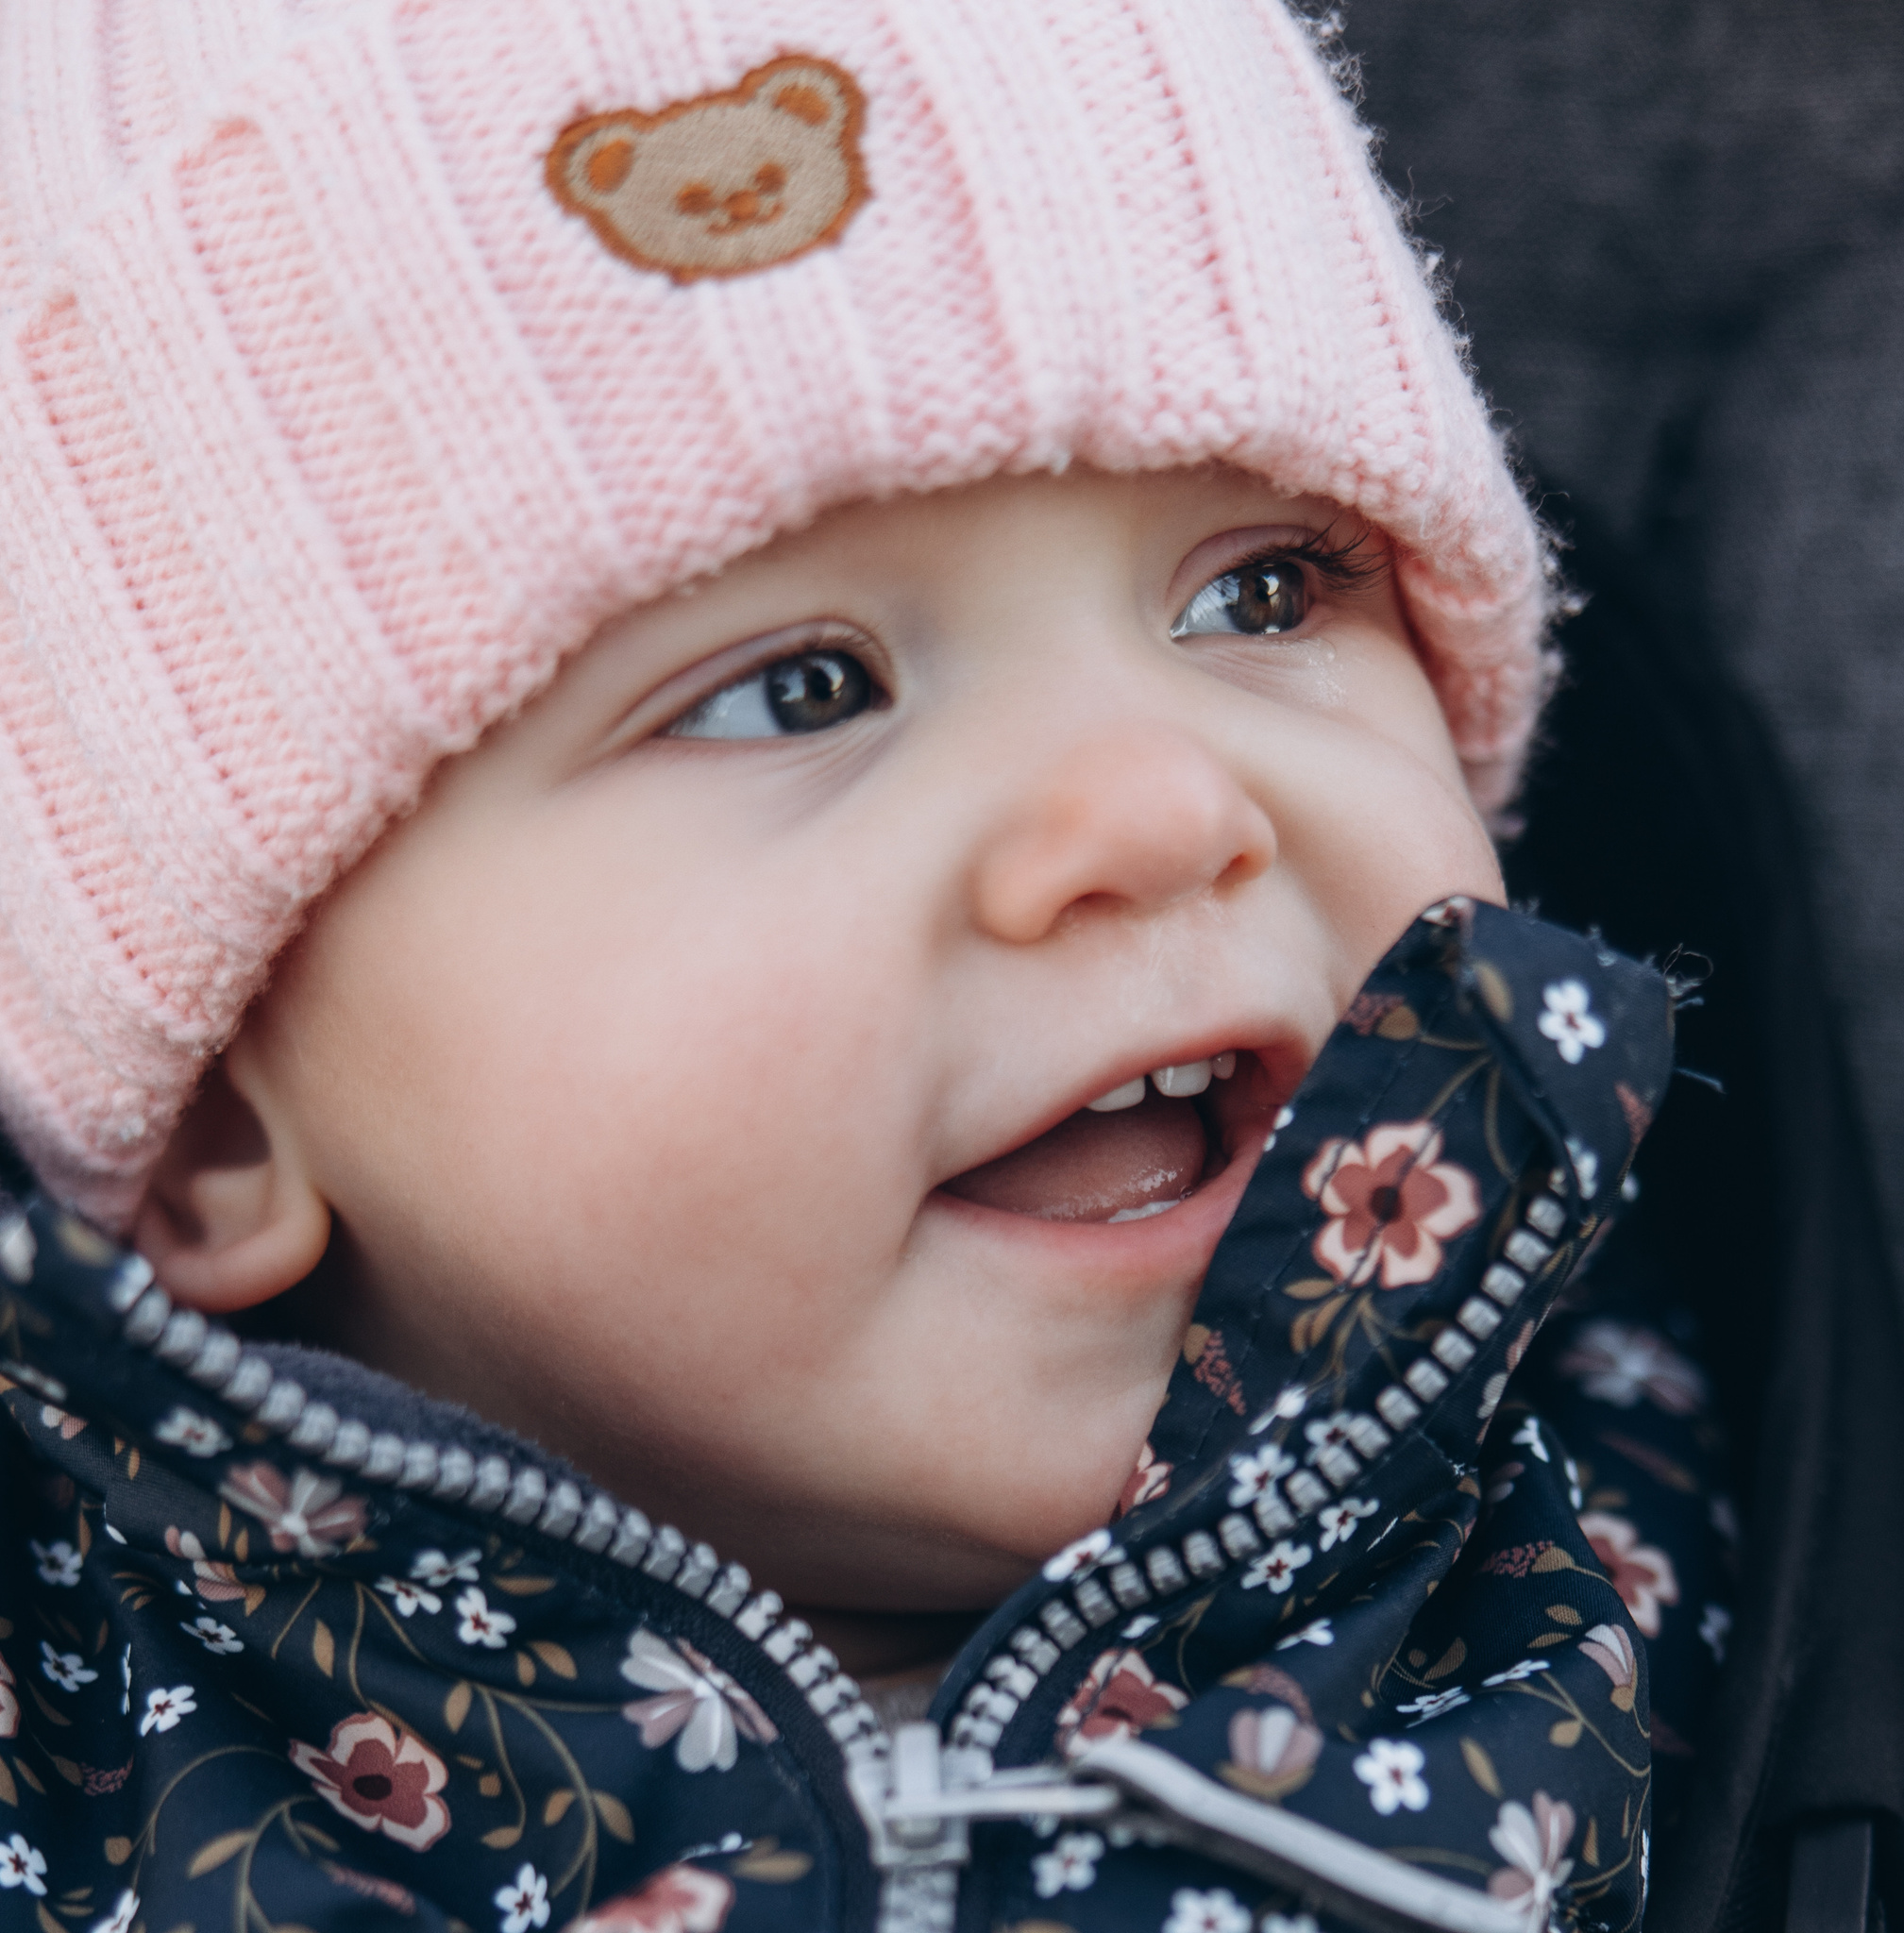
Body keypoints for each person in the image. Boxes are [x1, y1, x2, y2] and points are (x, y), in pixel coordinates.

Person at [0, 6, 1677, 1932]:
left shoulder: (1735, 1587)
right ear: (216, 1102)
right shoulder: (71, 1792)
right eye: (797, 690)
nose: (1152, 802)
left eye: (1259, 588)